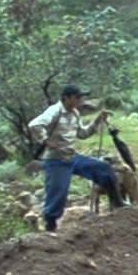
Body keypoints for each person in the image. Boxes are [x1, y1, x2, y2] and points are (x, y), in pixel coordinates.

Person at [28, 85, 121, 233]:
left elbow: (82, 134)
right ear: (67, 98)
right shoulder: (55, 111)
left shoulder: (75, 114)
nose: (80, 100)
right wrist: (46, 141)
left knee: (104, 169)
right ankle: (50, 227)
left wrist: (97, 120)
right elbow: (34, 125)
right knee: (58, 193)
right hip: (56, 160)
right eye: (77, 97)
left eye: (81, 97)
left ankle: (117, 203)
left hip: (72, 157)